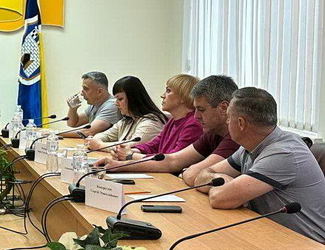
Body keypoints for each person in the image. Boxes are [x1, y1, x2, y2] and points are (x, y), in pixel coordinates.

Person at [194, 88, 325, 242]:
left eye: (228, 117)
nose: (227, 122)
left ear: (241, 123)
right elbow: (198, 176)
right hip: (270, 235)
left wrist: (223, 187)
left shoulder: (284, 153)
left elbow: (220, 198)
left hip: (306, 246)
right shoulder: (250, 146)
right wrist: (219, 178)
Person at [95, 75, 240, 187]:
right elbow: (173, 160)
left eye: (201, 109)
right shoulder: (210, 133)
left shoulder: (234, 137)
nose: (196, 116)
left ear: (223, 108)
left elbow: (188, 172)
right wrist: (120, 165)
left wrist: (130, 156)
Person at [113, 74, 203, 160]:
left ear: (184, 96)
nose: (162, 96)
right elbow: (153, 145)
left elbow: (172, 160)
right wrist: (131, 151)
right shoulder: (173, 121)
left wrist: (130, 155)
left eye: (168, 91)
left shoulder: (193, 125)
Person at [84, 76, 167, 151]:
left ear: (133, 99)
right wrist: (95, 140)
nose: (116, 104)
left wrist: (99, 145)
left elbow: (129, 148)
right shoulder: (127, 120)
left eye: (120, 99)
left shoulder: (151, 123)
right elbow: (105, 135)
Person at [64, 71, 121, 136]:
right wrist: (73, 109)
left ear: (100, 91)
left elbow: (88, 132)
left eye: (86, 89)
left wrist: (56, 133)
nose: (82, 93)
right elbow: (73, 123)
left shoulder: (112, 105)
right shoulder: (95, 104)